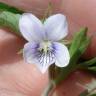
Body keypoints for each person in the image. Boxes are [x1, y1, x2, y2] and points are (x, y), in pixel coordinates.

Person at [0, 0, 96, 95]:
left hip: (49, 47)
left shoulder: (30, 23)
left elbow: (63, 60)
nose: (45, 48)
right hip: (50, 47)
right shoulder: (31, 24)